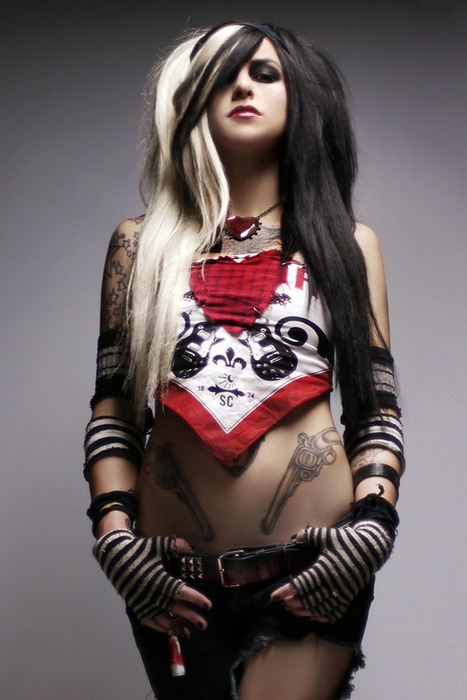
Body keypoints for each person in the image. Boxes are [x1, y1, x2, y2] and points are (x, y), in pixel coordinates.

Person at [84, 21, 404, 700]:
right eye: (222, 76)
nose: (242, 88)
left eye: (263, 73)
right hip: (170, 580)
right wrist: (113, 536)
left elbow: (375, 411)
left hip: (314, 571)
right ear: (191, 99)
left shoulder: (347, 246)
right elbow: (114, 409)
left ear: (299, 97)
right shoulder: (137, 246)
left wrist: (374, 526)